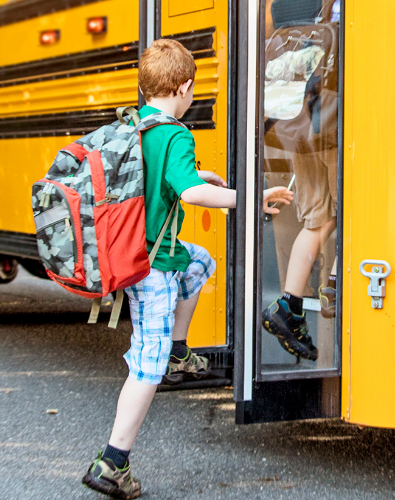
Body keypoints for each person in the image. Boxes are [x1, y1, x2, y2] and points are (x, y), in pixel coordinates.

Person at [81, 39, 293, 500]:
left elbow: (172, 180)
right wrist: (249, 198)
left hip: (144, 253)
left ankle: (179, 348)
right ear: (185, 87)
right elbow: (191, 195)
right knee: (145, 367)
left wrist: (203, 178)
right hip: (150, 270)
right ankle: (112, 462)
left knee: (199, 262)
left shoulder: (136, 123)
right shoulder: (176, 132)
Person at [260, 0, 341, 361]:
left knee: (316, 219)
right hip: (333, 129)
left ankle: (289, 304)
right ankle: (335, 283)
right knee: (349, 208)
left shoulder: (280, 17)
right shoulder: (331, 16)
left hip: (298, 133)